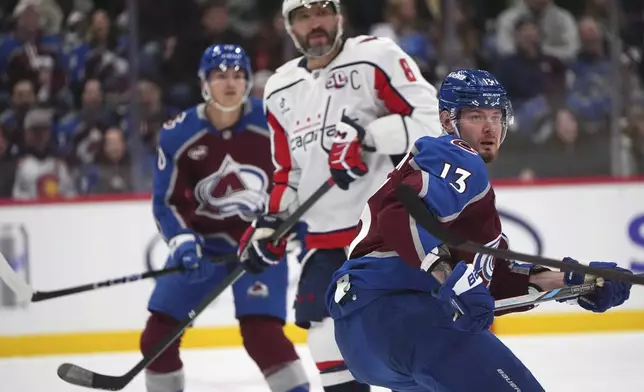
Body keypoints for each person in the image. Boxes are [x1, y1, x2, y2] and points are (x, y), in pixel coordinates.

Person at [324, 69, 633, 392]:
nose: (490, 128)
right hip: (401, 313)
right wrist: (451, 278)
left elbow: (495, 279)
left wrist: (579, 282)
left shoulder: (470, 206)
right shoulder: (457, 155)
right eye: (475, 116)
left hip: (364, 342)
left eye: (496, 116)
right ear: (447, 121)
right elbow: (401, 214)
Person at [237, 0, 442, 390]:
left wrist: (368, 136)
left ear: (339, 16)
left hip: (385, 228)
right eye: (303, 16)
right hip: (324, 237)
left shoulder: (375, 56)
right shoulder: (279, 88)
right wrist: (270, 226)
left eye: (322, 11)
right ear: (289, 27)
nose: (315, 23)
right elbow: (288, 173)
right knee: (324, 336)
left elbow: (430, 123)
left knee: (411, 332)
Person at [142, 44, 309, 392]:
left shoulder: (273, 123)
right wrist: (184, 241)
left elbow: (303, 180)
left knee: (263, 337)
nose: (230, 83)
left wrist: (299, 231)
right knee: (157, 337)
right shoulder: (179, 133)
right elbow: (166, 202)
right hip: (204, 245)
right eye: (220, 75)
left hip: (261, 245)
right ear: (204, 82)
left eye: (238, 75)